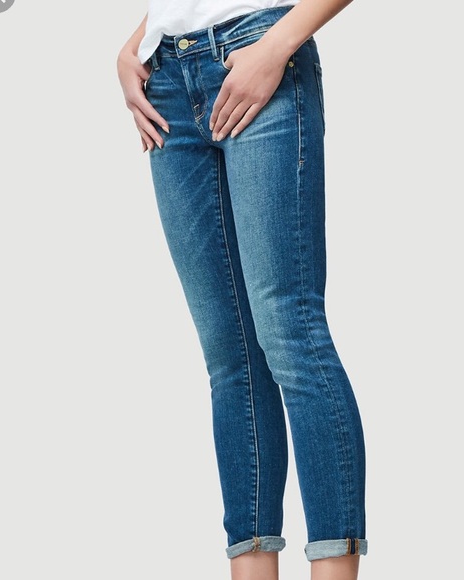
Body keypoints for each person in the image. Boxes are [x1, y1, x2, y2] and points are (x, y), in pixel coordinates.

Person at [117, 2, 367, 579]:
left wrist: (277, 46)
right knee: (231, 362)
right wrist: (134, 46)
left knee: (291, 335)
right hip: (166, 83)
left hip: (258, 52)